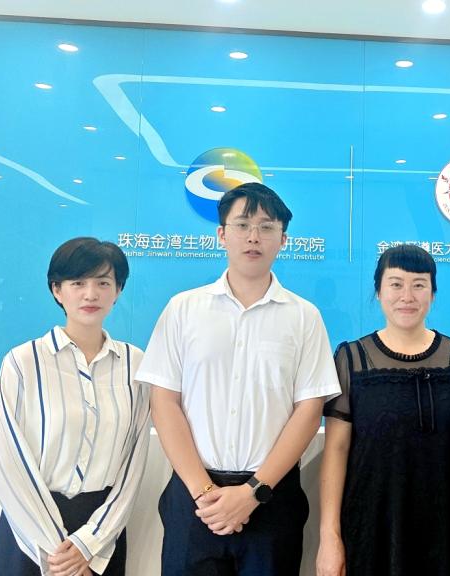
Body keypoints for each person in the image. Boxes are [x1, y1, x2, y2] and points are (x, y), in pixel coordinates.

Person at [137, 183, 340, 576]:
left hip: (271, 499)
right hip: (194, 499)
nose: (253, 236)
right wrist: (204, 493)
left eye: (266, 227)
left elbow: (309, 409)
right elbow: (164, 402)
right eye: (243, 224)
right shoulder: (183, 309)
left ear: (283, 239)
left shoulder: (304, 317)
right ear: (221, 234)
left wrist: (253, 492)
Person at [316, 245, 450, 576]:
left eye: (419, 284)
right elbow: (337, 449)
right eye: (396, 284)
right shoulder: (351, 359)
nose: (407, 296)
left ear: (433, 292)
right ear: (379, 290)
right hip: (373, 525)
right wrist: (329, 536)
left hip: (446, 525)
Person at [0, 237, 149, 576]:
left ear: (118, 290)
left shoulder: (135, 364)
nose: (91, 294)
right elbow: (8, 460)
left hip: (100, 535)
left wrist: (89, 545)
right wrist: (57, 551)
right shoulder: (23, 361)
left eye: (103, 283)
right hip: (31, 531)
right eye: (78, 283)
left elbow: (133, 464)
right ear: (57, 290)